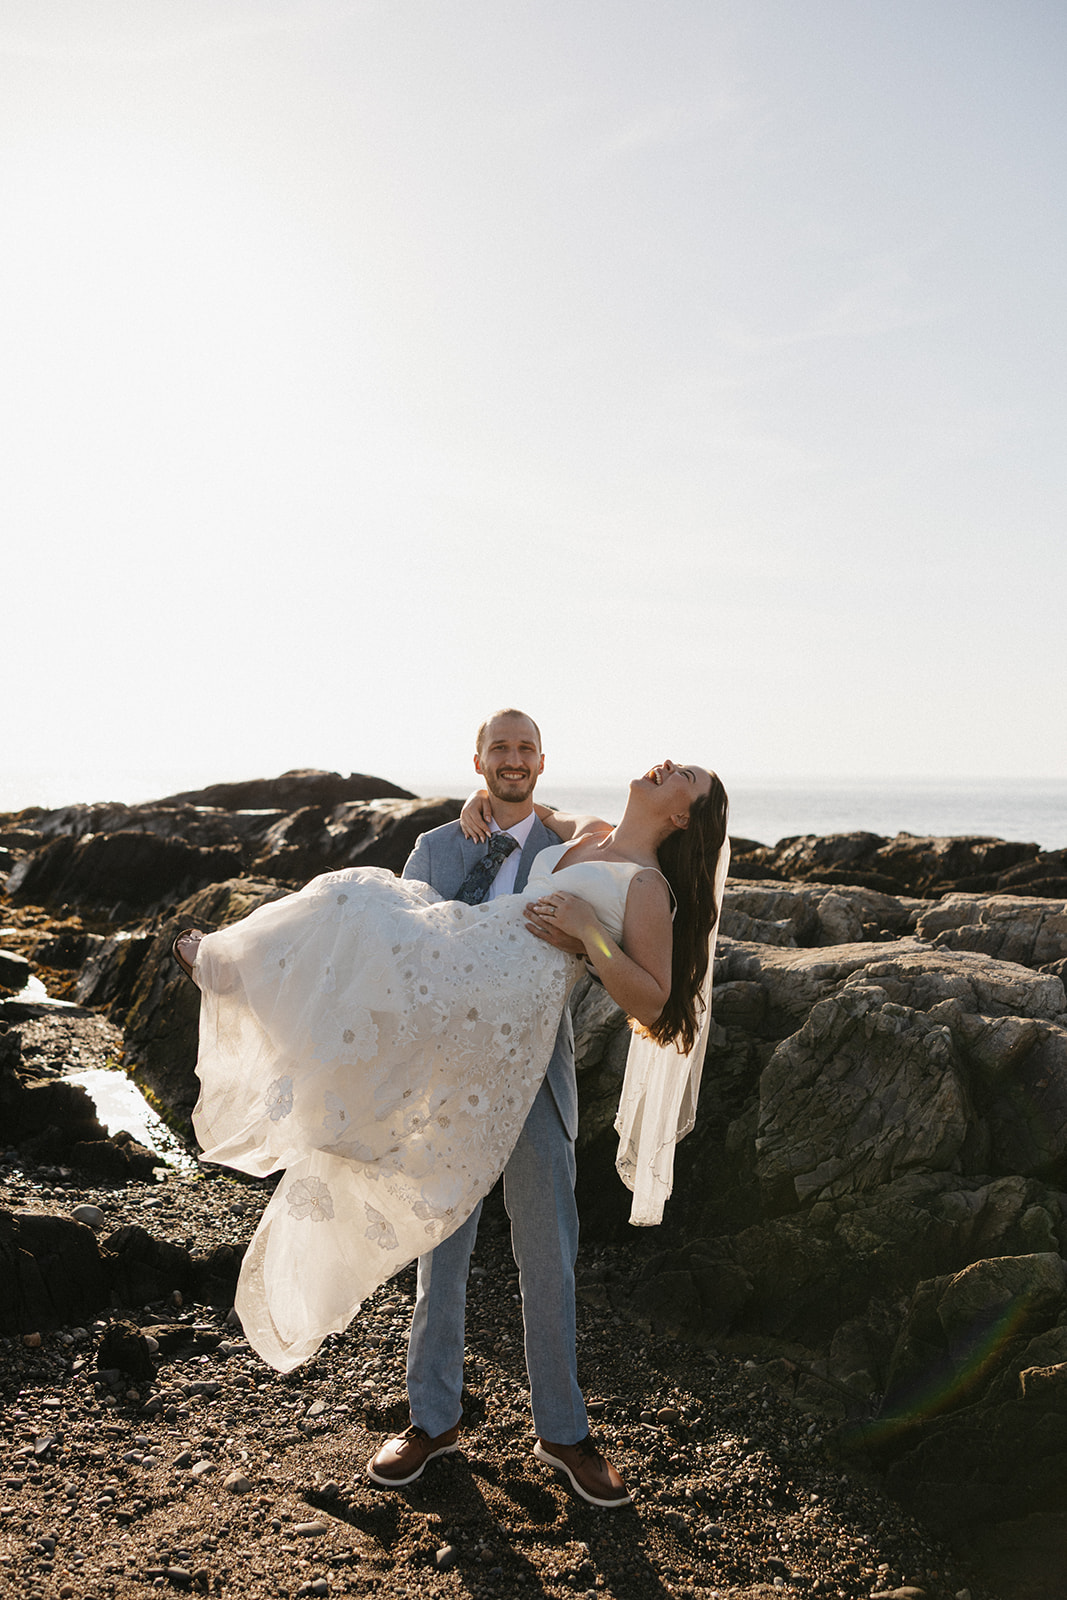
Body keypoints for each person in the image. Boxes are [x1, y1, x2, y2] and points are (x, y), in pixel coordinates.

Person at [177, 719, 729, 1509]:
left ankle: (564, 1433)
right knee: (439, 1242)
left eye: (689, 776)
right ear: (486, 763)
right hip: (442, 1068)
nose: (670, 764)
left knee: (548, 1258)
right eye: (499, 754)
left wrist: (585, 937)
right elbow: (434, 921)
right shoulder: (579, 832)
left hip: (529, 1070)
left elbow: (655, 1000)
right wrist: (480, 805)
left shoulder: (645, 883)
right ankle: (430, 1420)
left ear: (683, 817)